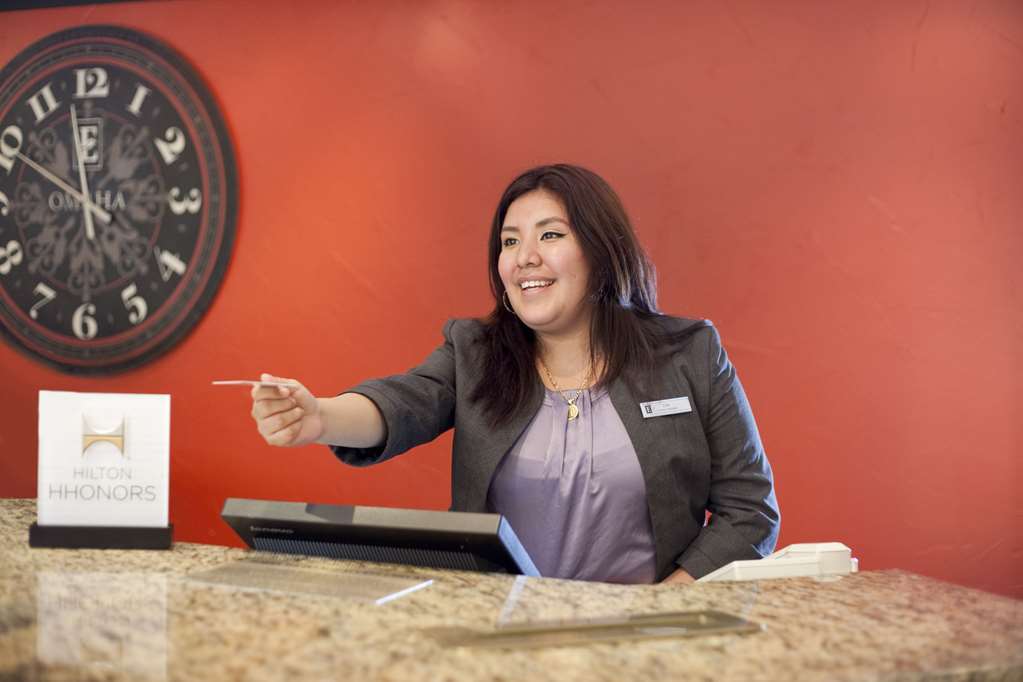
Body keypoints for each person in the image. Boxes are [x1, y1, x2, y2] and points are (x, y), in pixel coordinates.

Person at [250, 164, 780, 584]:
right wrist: (319, 416)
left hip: (645, 643)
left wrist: (670, 604)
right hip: (499, 637)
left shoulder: (687, 353)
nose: (524, 257)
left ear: (600, 250)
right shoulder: (474, 351)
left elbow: (749, 511)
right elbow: (404, 402)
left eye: (549, 235)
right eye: (509, 242)